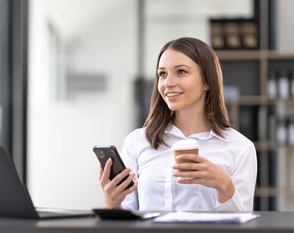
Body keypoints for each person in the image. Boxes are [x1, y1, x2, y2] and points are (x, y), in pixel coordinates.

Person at [99, 37, 257, 211]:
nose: (168, 83)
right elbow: (125, 221)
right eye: (162, 74)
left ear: (207, 81)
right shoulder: (137, 142)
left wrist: (224, 185)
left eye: (181, 71)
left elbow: (242, 225)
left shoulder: (240, 148)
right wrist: (112, 204)